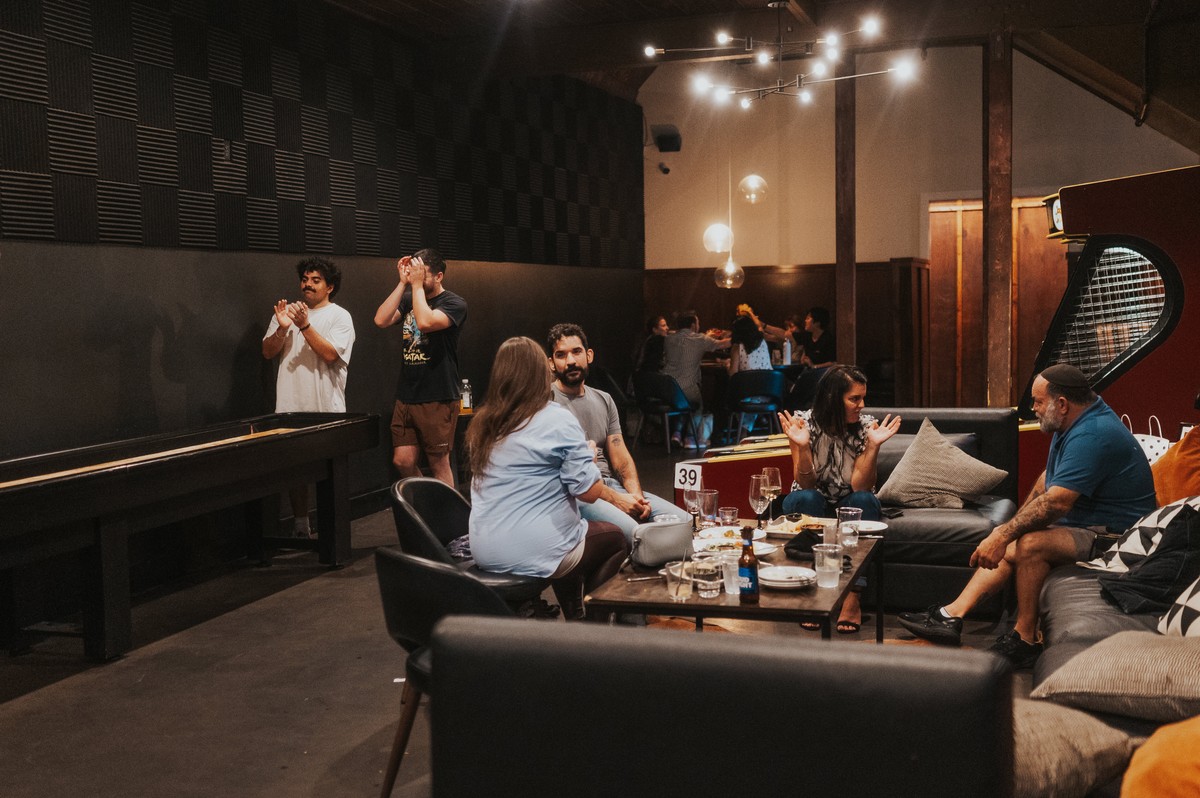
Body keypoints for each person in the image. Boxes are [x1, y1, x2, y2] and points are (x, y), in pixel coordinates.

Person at [897, 363, 1156, 667]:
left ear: (1062, 404)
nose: (1032, 408)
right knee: (1013, 541)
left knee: (1031, 544)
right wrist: (1009, 530)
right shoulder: (1072, 421)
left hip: (1121, 538)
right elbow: (1048, 480)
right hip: (1094, 527)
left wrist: (1004, 533)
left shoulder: (1093, 434)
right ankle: (949, 616)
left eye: (1038, 401)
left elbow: (1056, 503)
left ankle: (1025, 639)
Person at [466, 337, 630, 620]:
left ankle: (572, 613)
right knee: (613, 539)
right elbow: (588, 492)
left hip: (484, 550)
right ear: (543, 372)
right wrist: (588, 459)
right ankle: (594, 630)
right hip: (531, 550)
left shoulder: (483, 422)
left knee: (572, 531)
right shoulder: (557, 418)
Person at [777, 365, 902, 633]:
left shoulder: (865, 427)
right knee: (806, 498)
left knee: (865, 502)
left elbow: (860, 485)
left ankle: (853, 596)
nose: (862, 405)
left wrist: (873, 446)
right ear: (834, 398)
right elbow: (806, 482)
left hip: (848, 501)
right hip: (812, 500)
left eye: (863, 398)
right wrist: (801, 446)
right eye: (854, 398)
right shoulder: (803, 424)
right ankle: (814, 591)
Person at [548, 323, 689, 541]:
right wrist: (617, 500)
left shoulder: (604, 399)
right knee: (639, 535)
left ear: (589, 355)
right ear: (551, 363)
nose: (571, 361)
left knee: (684, 523)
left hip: (611, 486)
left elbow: (620, 458)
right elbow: (569, 479)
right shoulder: (545, 402)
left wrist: (636, 497)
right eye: (561, 355)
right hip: (579, 495)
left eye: (576, 352)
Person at [262, 256, 356, 537]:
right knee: (296, 470)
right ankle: (301, 524)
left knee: (329, 470)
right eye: (305, 279)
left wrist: (304, 326)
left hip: (326, 407)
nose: (308, 285)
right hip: (290, 407)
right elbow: (268, 352)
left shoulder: (340, 316)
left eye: (315, 280)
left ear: (330, 286)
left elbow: (330, 355)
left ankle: (333, 532)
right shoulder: (286, 313)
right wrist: (282, 328)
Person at [373, 248, 467, 486]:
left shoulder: (454, 303)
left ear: (439, 276)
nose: (416, 277)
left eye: (421, 273)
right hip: (407, 395)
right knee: (402, 461)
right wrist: (402, 282)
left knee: (439, 463)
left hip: (437, 395)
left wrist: (415, 287)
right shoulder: (408, 298)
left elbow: (425, 322)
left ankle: (446, 518)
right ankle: (427, 503)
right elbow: (381, 320)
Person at [661, 312, 729, 448]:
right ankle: (690, 438)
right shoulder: (700, 339)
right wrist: (739, 336)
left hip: (667, 388)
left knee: (682, 403)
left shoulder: (668, 339)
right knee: (696, 404)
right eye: (698, 323)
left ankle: (677, 433)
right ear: (693, 325)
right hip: (688, 388)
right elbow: (722, 344)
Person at [727, 303, 772, 374]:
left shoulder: (737, 348)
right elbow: (759, 326)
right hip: (770, 383)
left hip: (748, 384)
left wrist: (728, 365)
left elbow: (733, 374)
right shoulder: (761, 340)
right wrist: (750, 313)